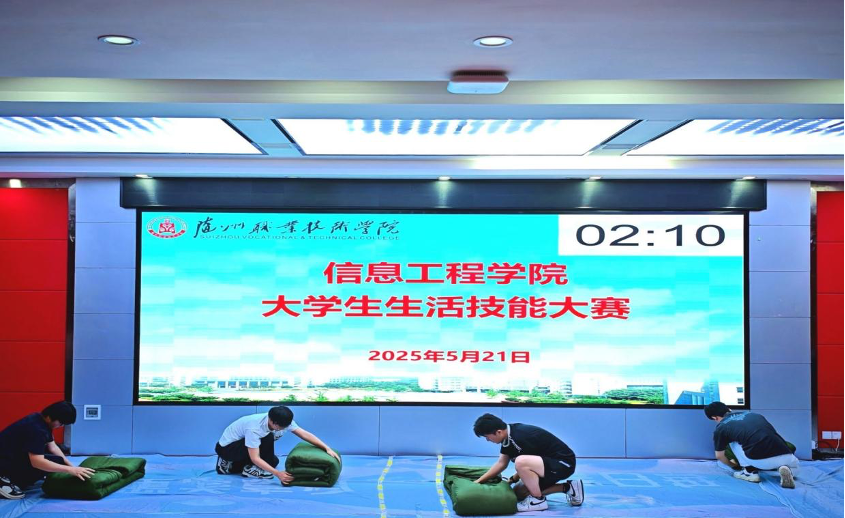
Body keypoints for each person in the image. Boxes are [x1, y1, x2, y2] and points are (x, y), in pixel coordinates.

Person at [472, 413, 584, 512]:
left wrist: (513, 479)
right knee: (519, 493)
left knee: (521, 462)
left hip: (564, 463)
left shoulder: (521, 436)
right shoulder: (507, 438)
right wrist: (479, 481)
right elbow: (501, 464)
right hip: (547, 464)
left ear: (498, 432)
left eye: (487, 437)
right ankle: (569, 487)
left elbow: (525, 464)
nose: (487, 440)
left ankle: (537, 500)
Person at [214, 405, 339, 485]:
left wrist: (326, 448)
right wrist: (278, 474)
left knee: (273, 462)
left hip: (243, 445)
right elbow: (255, 458)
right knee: (268, 439)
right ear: (272, 421)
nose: (284, 429)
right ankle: (228, 463)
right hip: (227, 448)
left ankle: (239, 466)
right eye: (281, 427)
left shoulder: (283, 420)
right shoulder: (254, 428)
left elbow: (304, 434)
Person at [0, 401, 95, 500]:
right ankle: (5, 480)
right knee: (48, 464)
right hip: (4, 462)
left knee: (58, 460)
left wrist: (72, 467)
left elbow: (53, 447)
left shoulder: (39, 418)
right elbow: (37, 462)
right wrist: (69, 470)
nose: (61, 426)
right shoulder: (37, 430)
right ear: (50, 417)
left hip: (11, 454)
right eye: (61, 423)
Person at [704, 401, 800, 488]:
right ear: (729, 409)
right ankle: (786, 470)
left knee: (732, 440)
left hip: (759, 461)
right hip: (787, 455)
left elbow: (719, 456)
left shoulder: (721, 428)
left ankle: (749, 472)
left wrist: (733, 466)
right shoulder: (754, 415)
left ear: (714, 417)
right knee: (795, 470)